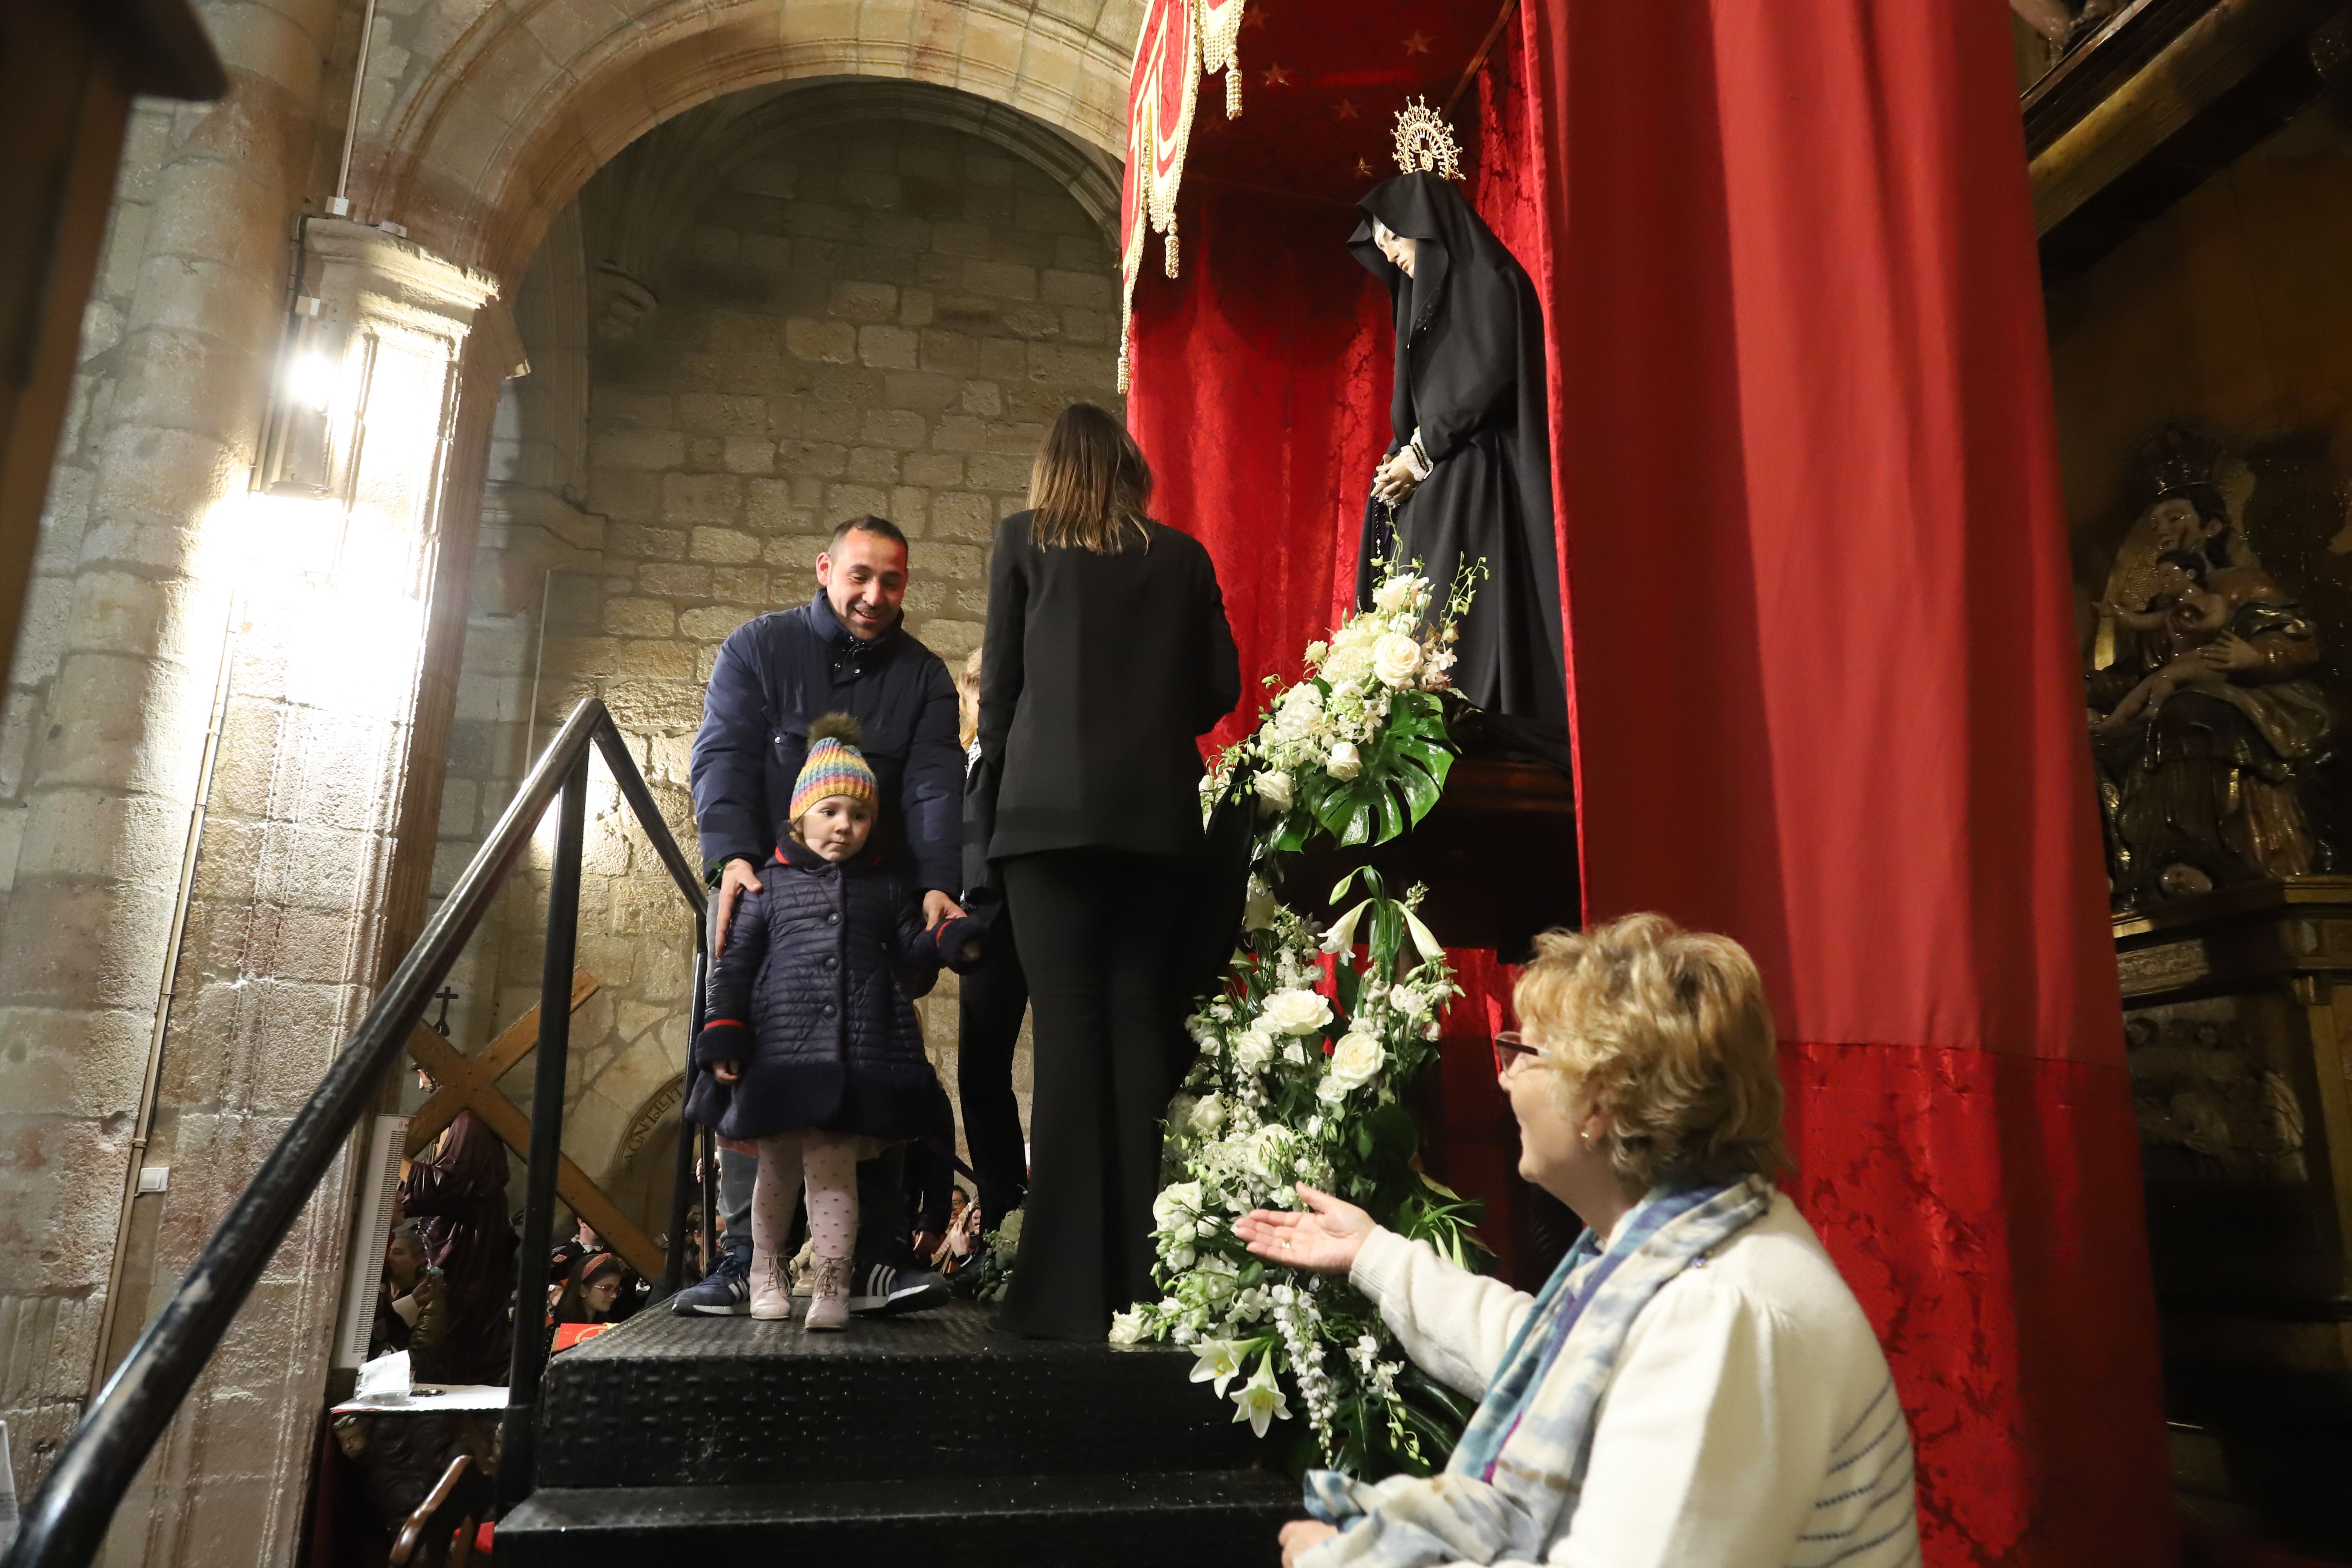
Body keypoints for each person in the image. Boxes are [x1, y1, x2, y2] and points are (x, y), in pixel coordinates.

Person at [1237, 913, 1920, 1568]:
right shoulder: (1695, 1240)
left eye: (1524, 1052)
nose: (1504, 1077)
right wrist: (1371, 1253)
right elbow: (1550, 1355)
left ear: (1599, 1102)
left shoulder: (1719, 1307)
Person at [972, 403, 1240, 1340]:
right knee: (1136, 1033)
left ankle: (1060, 1294)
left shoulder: (1020, 545)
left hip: (1042, 827)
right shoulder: (1182, 557)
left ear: (1050, 471)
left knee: (1069, 1037)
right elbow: (1220, 691)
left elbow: (997, 702)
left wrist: (979, 847)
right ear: (1130, 469)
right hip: (1155, 826)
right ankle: (1142, 1278)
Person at [679, 513, 966, 1317]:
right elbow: (725, 752)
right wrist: (731, 856)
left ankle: (871, 1260)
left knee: (875, 1065)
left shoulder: (924, 677)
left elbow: (936, 788)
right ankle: (742, 1261)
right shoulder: (758, 648)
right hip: (767, 889)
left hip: (874, 901)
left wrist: (938, 884)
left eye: (893, 580)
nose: (875, 595)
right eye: (860, 576)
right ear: (825, 569)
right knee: (747, 1069)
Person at [685, 716, 986, 1328]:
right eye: (830, 811)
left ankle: (832, 1280)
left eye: (858, 815)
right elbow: (735, 965)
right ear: (801, 816)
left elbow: (909, 947)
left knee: (834, 1173)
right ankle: (765, 1267)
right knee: (774, 1173)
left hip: (852, 1056)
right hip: (778, 1056)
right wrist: (724, 1031)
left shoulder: (884, 889)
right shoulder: (767, 885)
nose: (844, 825)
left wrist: (950, 939)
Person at [1350, 166, 1567, 752]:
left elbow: (1486, 378)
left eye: (1393, 235)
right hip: (1433, 494)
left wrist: (1422, 453)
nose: (1388, 251)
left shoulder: (1492, 280)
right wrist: (1400, 458)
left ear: (1424, 222)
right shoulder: (1421, 307)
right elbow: (1417, 411)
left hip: (1477, 485)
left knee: (1465, 640)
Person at [954, 646, 1033, 1233]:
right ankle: (1005, 1217)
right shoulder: (959, 760)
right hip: (984, 925)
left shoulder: (1029, 744)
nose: (986, 701)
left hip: (1033, 908)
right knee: (981, 1072)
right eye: (977, 690)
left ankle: (1049, 1217)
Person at [399, 1106, 515, 1385]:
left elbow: (447, 1186)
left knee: (455, 1329)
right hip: (454, 1237)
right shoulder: (458, 1120)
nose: (421, 1083)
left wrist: (392, 1155)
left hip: (466, 1244)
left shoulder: (468, 1121)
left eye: (422, 1073)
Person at [369, 1225, 443, 1360]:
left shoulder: (430, 1294)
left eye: (398, 1253)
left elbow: (422, 1352)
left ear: (419, 1259)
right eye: (388, 1253)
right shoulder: (379, 1291)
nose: (390, 1259)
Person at [551, 1250, 626, 1326]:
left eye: (616, 1289)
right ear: (583, 1290)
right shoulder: (559, 1331)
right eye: (607, 1288)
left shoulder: (606, 1324)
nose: (614, 1296)